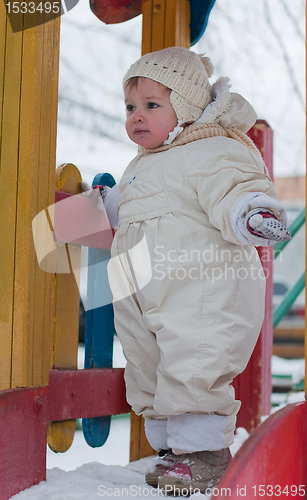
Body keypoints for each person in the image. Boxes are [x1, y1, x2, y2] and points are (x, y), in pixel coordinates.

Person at [100, 47, 290, 493]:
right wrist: (84, 210)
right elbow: (120, 209)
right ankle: (175, 447)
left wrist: (253, 212)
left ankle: (204, 453)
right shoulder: (139, 167)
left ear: (185, 107)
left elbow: (236, 186)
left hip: (200, 288)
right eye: (130, 107)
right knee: (147, 365)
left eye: (151, 105)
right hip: (148, 292)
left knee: (194, 359)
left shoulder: (213, 150)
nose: (136, 117)